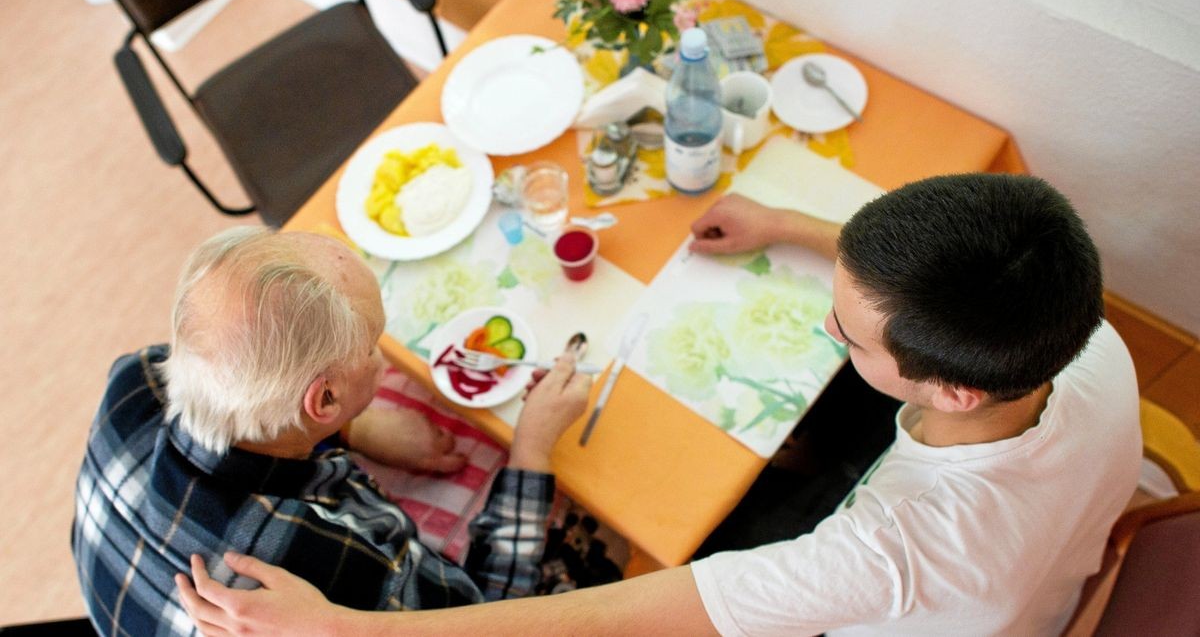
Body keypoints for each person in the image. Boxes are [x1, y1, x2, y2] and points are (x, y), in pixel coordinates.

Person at [174, 174, 1142, 636]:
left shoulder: (885, 552)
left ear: (954, 386)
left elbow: (607, 618)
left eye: (849, 337)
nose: (830, 338)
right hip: (1060, 552)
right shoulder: (1084, 334)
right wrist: (790, 223)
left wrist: (350, 632)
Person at [72, 226, 591, 636]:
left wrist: (355, 430)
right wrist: (532, 447)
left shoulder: (134, 378)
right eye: (372, 344)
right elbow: (493, 618)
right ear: (323, 400)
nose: (383, 358)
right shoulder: (325, 560)